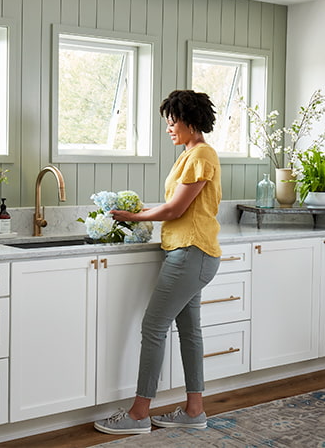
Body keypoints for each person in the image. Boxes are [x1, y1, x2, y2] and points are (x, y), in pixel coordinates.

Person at [94, 90, 222, 435]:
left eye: (172, 122)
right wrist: (141, 215)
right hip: (193, 252)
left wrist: (132, 216)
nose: (168, 128)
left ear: (189, 121)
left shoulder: (201, 155)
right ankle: (194, 410)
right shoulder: (190, 155)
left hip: (190, 253)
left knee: (153, 327)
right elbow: (176, 207)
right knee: (190, 331)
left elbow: (175, 210)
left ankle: (138, 414)